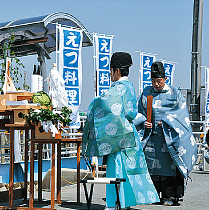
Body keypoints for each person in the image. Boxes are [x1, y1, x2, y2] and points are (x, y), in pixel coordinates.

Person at [82, 52, 159, 209]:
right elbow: (130, 113)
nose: (110, 74)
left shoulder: (117, 89)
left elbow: (101, 103)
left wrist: (94, 105)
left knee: (117, 171)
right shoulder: (129, 87)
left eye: (111, 70)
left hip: (118, 139)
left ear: (116, 71)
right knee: (130, 171)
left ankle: (115, 204)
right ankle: (125, 203)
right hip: (130, 136)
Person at [134, 61, 197, 206]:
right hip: (151, 137)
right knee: (151, 167)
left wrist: (168, 121)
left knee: (170, 167)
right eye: (153, 81)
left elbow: (181, 113)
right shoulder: (146, 92)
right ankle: (152, 195)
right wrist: (144, 122)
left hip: (169, 138)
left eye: (159, 81)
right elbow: (138, 112)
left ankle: (170, 196)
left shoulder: (175, 92)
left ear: (165, 79)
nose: (156, 84)